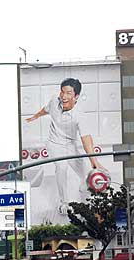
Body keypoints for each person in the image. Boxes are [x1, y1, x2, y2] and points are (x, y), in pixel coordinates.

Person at [26, 78, 105, 214]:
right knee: (61, 167)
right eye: (62, 92)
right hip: (54, 144)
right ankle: (64, 203)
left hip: (70, 145)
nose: (64, 96)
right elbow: (45, 110)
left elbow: (86, 139)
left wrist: (94, 162)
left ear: (76, 97)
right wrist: (35, 117)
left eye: (68, 93)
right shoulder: (54, 101)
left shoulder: (80, 115)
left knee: (85, 174)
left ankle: (84, 190)